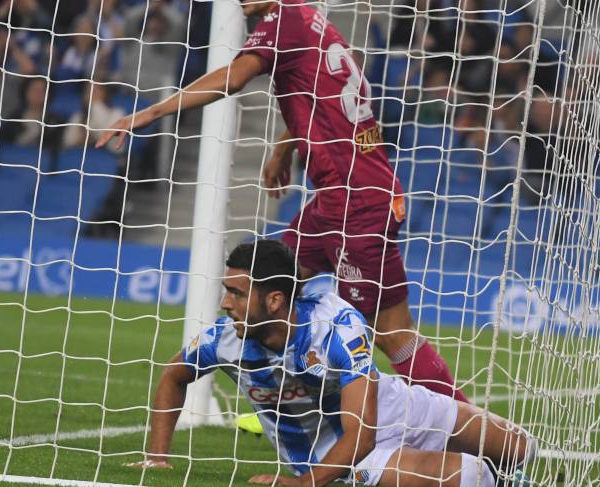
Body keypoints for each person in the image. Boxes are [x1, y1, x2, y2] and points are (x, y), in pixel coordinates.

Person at [96, 0, 469, 404]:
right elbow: (320, 98)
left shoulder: (283, 19)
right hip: (338, 198)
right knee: (268, 284)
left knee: (392, 333)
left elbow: (234, 77)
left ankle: (471, 428)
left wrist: (150, 113)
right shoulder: (311, 21)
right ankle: (285, 403)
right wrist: (282, 150)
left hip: (358, 201)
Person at [131, 239, 534, 487]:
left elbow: (363, 432)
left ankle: (487, 463)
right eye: (226, 292)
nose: (224, 304)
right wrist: (157, 457)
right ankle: (493, 478)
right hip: (330, 454)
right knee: (473, 478)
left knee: (522, 447)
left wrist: (302, 486)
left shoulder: (336, 326)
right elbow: (173, 376)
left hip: (386, 409)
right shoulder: (224, 339)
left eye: (236, 293)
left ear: (274, 301)